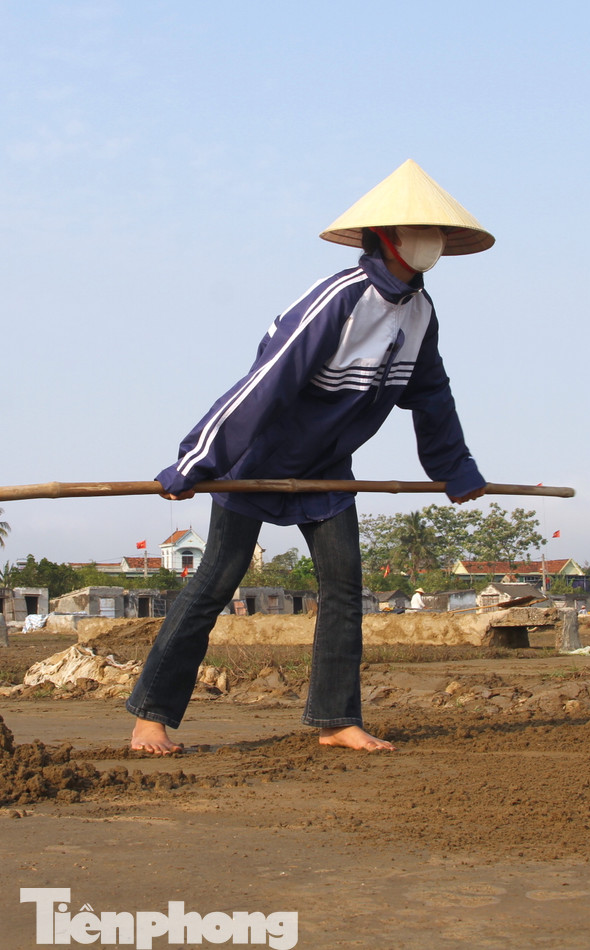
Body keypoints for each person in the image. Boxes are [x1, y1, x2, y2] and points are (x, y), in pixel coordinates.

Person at [128, 159, 496, 754]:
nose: (433, 242)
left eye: (439, 232)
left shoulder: (421, 314)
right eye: (420, 230)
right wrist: (195, 461)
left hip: (328, 470)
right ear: (388, 236)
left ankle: (336, 719)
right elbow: (264, 384)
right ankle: (151, 715)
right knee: (214, 585)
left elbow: (432, 395)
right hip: (256, 461)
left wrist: (456, 470)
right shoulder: (340, 300)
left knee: (345, 587)